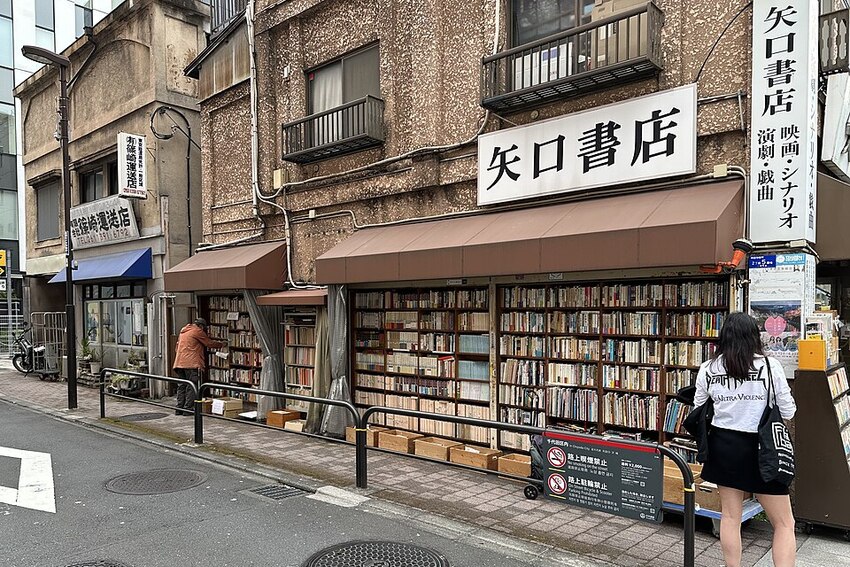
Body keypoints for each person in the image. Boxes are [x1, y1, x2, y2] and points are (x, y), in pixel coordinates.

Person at [693, 312, 797, 567]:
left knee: (730, 516)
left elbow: (698, 408)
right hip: (763, 449)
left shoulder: (709, 368)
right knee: (784, 523)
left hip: (724, 446)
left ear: (724, 337)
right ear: (754, 337)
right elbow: (788, 411)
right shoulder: (770, 367)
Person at [172, 318, 225, 415]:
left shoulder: (184, 331)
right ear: (201, 326)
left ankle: (179, 408)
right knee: (191, 386)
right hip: (191, 363)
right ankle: (188, 409)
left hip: (179, 362)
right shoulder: (197, 331)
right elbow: (208, 343)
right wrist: (221, 344)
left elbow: (176, 347)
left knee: (182, 386)